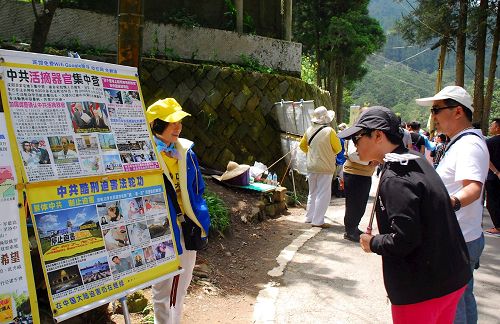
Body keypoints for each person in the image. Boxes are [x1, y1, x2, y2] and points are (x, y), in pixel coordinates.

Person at [338, 106, 471, 324]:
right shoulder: (416, 160)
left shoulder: (396, 177)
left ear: (378, 135)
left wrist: (372, 242)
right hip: (451, 276)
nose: (354, 145)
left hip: (422, 289)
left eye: (357, 138)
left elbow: (404, 239)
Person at [416, 85, 489, 324]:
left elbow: (474, 188)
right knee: (462, 299)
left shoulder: (468, 145)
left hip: (458, 238)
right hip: (462, 237)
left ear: (458, 111)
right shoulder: (461, 142)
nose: (433, 116)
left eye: (437, 109)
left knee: (452, 306)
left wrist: (449, 202)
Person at [146, 98, 210, 324]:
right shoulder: (144, 153)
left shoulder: (185, 151)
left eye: (179, 121)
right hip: (159, 229)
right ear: (155, 124)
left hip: (187, 227)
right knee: (163, 288)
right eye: (172, 122)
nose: (178, 127)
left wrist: (201, 217)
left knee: (182, 285)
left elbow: (198, 189)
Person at [299, 106, 342, 228]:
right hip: (325, 167)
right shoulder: (329, 131)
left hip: (311, 166)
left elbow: (302, 146)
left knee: (312, 192)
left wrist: (313, 152)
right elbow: (338, 148)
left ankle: (309, 217)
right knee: (323, 193)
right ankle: (318, 221)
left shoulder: (308, 130)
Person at [342, 107, 377, 241]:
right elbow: (352, 154)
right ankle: (350, 231)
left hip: (364, 174)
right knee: (354, 204)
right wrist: (370, 161)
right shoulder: (355, 132)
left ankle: (354, 228)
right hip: (355, 173)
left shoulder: (366, 132)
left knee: (360, 204)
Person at [484, 118, 500, 235]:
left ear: (497, 128)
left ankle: (498, 227)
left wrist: (496, 172)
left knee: (492, 202)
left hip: (493, 177)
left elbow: (487, 159)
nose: (490, 128)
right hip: (494, 176)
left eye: (492, 126)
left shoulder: (490, 142)